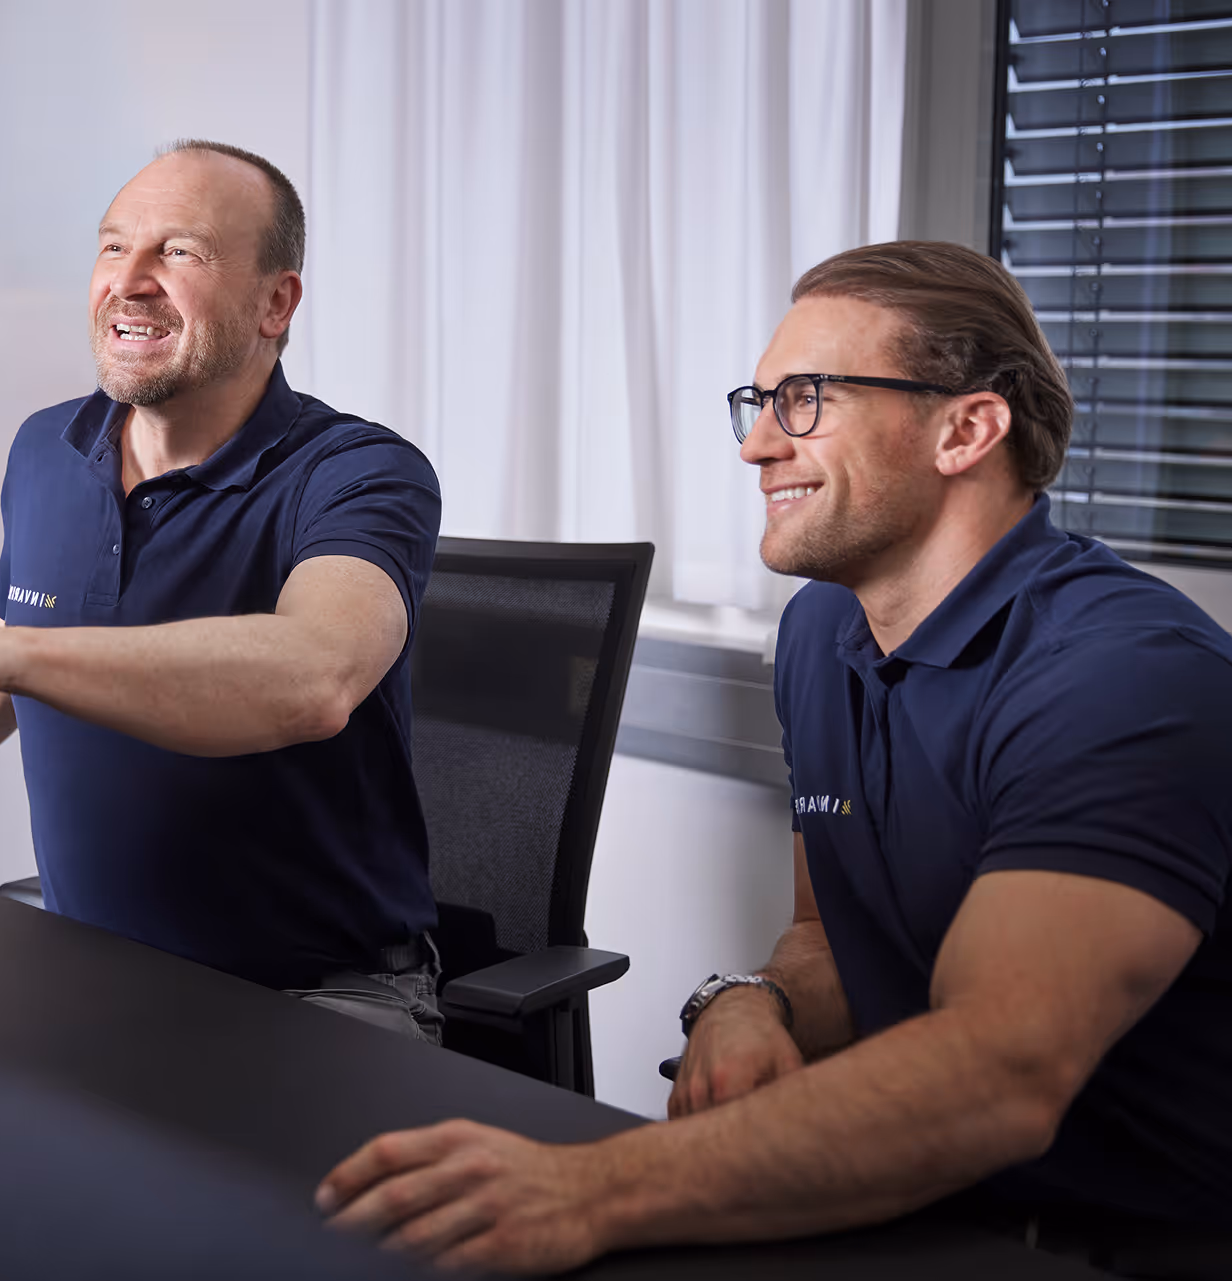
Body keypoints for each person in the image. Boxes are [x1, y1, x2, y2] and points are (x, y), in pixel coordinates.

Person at [314, 241, 1232, 1274]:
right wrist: (755, 998)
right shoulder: (820, 634)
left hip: (1115, 1242)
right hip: (904, 1191)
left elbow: (1002, 1074)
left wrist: (597, 1184)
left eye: (807, 400)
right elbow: (829, 933)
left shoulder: (1124, 678)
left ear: (966, 429)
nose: (756, 447)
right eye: (759, 401)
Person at [0, 140, 445, 1043]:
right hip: (90, 972)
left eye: (179, 252)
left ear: (274, 302)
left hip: (312, 999)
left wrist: (5, 652)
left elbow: (314, 676)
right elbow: (10, 644)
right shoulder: (45, 449)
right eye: (111, 246)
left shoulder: (359, 473)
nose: (128, 280)